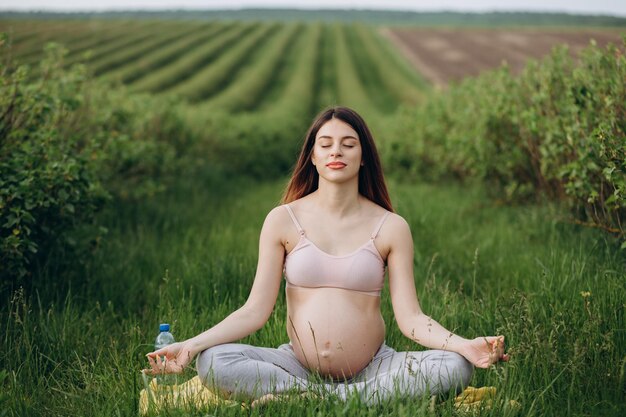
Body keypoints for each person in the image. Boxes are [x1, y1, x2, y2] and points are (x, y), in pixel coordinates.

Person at [145, 106, 509, 405]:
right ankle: (350, 401)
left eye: (349, 144)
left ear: (363, 157)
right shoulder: (282, 220)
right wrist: (190, 347)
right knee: (215, 361)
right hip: (294, 365)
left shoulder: (391, 226)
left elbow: (411, 318)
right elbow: (254, 311)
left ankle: (313, 401)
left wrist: (464, 346)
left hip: (375, 367)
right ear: (313, 157)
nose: (337, 151)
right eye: (326, 144)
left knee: (454, 367)